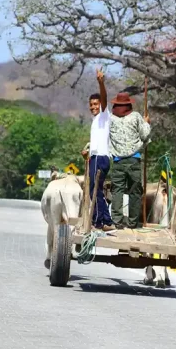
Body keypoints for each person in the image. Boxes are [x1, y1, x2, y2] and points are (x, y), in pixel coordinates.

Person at [108, 92, 151, 229]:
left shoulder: (111, 119)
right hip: (134, 160)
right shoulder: (136, 117)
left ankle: (117, 221)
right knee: (135, 192)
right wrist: (146, 123)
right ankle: (132, 223)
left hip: (118, 160)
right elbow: (145, 135)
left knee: (117, 191)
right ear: (128, 104)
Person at [80, 68, 116, 232]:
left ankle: (102, 221)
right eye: (91, 105)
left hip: (101, 158)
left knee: (95, 189)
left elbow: (104, 98)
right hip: (95, 157)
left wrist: (101, 82)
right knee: (95, 188)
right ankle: (102, 220)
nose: (93, 107)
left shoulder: (103, 115)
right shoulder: (96, 121)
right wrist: (87, 153)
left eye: (96, 104)